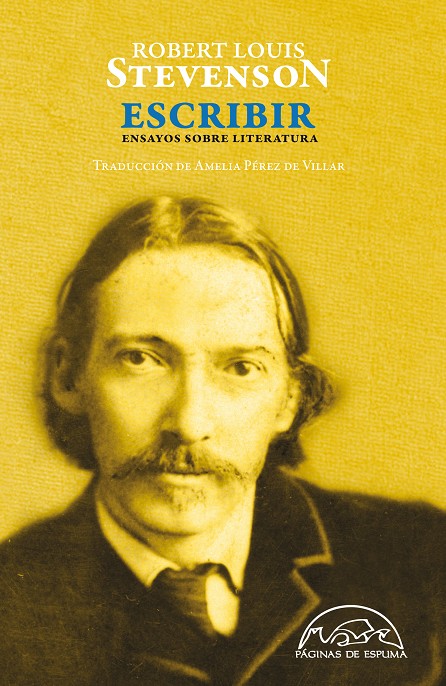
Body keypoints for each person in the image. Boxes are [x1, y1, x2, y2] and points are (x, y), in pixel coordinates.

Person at [0, 196, 444, 686]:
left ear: (290, 399)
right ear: (68, 376)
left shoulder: (422, 564)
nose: (189, 423)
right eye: (141, 359)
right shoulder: (11, 603)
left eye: (240, 368)